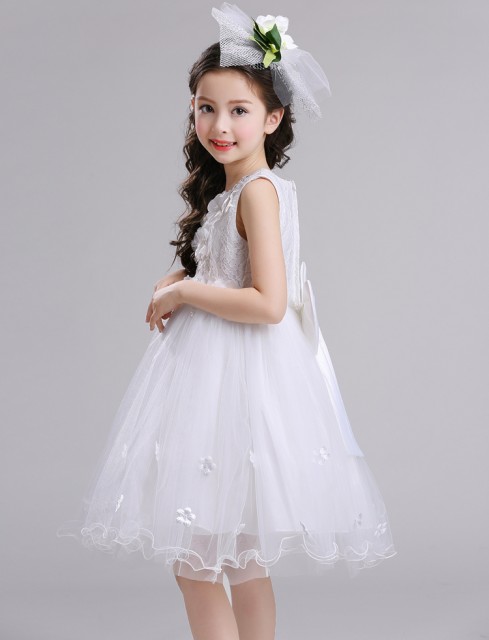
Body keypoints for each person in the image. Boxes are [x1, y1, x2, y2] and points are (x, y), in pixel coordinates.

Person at [57, 3, 397, 639]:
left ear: (273, 118)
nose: (220, 125)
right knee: (241, 558)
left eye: (239, 110)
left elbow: (268, 302)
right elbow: (229, 268)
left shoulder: (259, 192)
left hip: (236, 377)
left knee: (199, 562)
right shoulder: (237, 191)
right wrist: (179, 277)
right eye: (206, 108)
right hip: (224, 378)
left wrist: (187, 292)